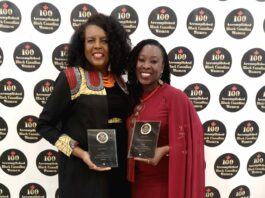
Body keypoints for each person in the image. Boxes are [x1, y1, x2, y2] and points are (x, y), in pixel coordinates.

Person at [36, 13, 131, 198]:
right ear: (82, 46)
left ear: (114, 46)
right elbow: (44, 126)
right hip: (82, 175)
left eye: (104, 40)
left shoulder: (120, 82)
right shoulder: (71, 78)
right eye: (90, 40)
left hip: (118, 174)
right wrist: (81, 154)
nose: (97, 46)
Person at [126, 39, 205, 198]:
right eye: (141, 60)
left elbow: (194, 141)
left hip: (163, 186)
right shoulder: (132, 96)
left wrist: (164, 150)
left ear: (162, 67)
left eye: (153, 61)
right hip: (135, 184)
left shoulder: (174, 97)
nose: (146, 65)